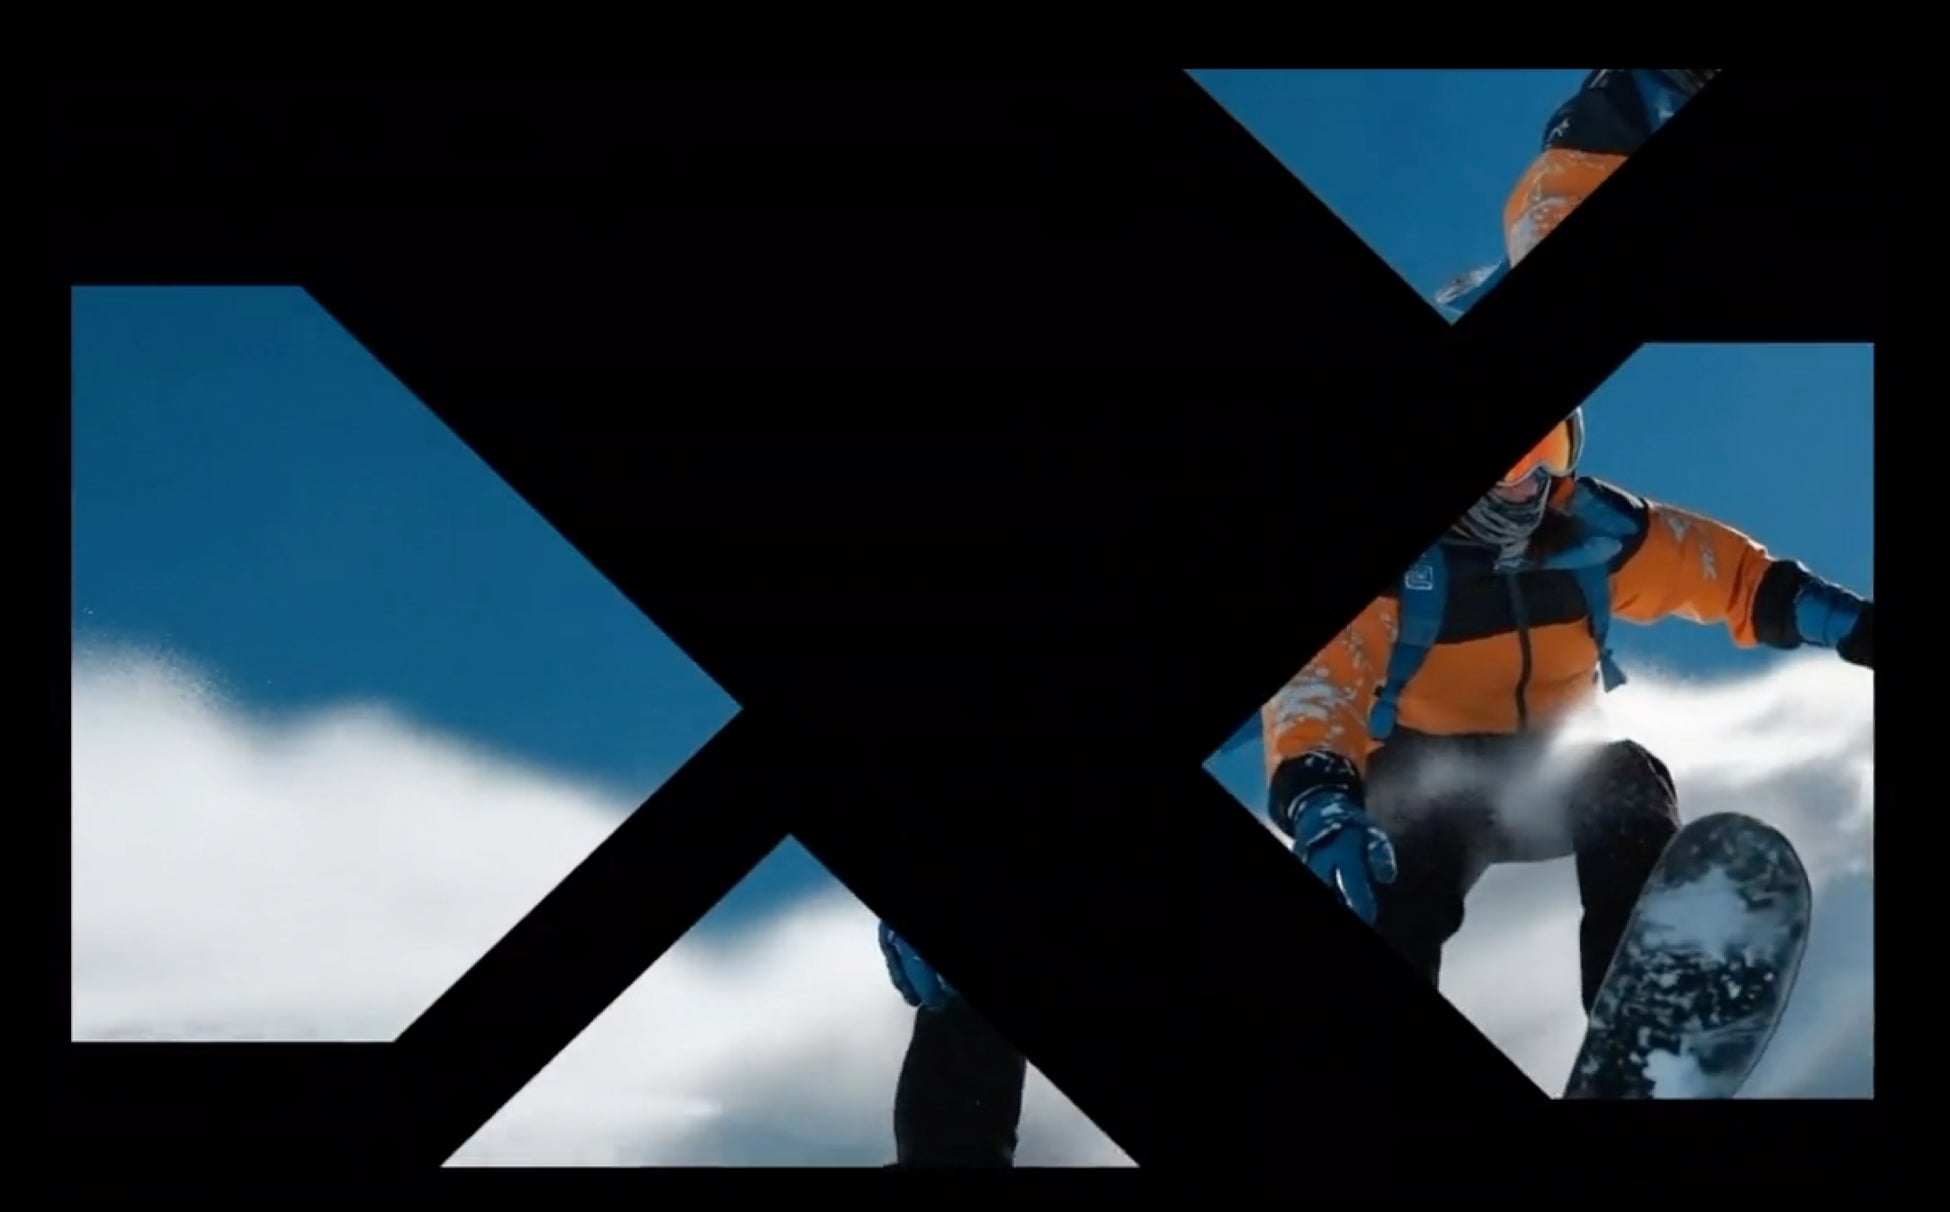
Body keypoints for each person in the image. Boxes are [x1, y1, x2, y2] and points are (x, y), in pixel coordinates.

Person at [873, 68, 1872, 1165]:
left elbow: (1731, 577)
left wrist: (1842, 621)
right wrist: (1321, 802)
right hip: (1417, 784)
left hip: (1544, 773)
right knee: (1395, 876)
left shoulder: (1595, 533)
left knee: (1626, 778)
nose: (1508, 500)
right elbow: (1320, 692)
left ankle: (1646, 1033)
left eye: (1530, 471)